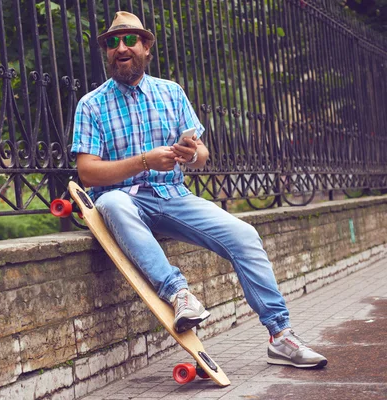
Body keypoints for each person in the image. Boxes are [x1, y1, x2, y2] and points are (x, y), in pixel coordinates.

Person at [71, 11, 327, 369]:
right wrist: (144, 161)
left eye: (130, 40)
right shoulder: (91, 104)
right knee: (111, 202)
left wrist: (192, 154)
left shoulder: (171, 93)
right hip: (124, 202)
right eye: (113, 42)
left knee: (245, 235)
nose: (121, 47)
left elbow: (202, 154)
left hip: (174, 197)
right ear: (107, 53)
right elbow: (86, 172)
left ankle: (281, 336)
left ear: (146, 48)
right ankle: (179, 294)